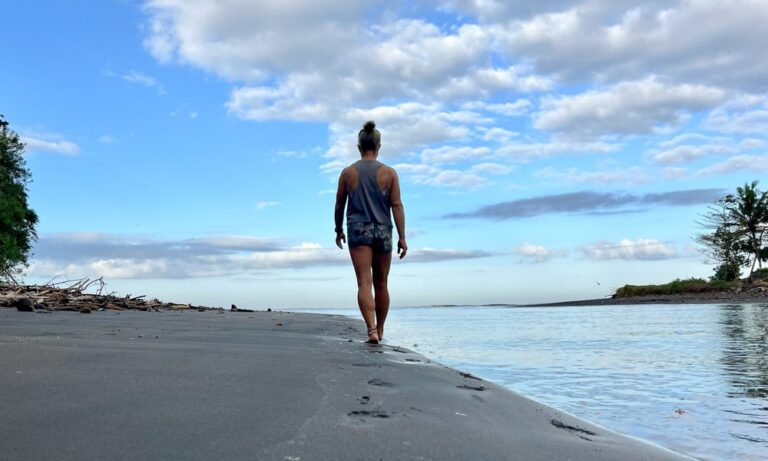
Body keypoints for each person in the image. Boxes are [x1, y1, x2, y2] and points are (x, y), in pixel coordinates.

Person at [335, 121, 407, 344]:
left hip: (358, 229)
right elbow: (396, 205)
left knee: (364, 282)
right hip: (383, 229)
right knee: (382, 283)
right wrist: (402, 237)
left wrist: (338, 229)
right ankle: (382, 330)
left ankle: (371, 330)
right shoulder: (389, 173)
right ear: (378, 146)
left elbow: (339, 205)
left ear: (359, 146)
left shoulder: (348, 173)